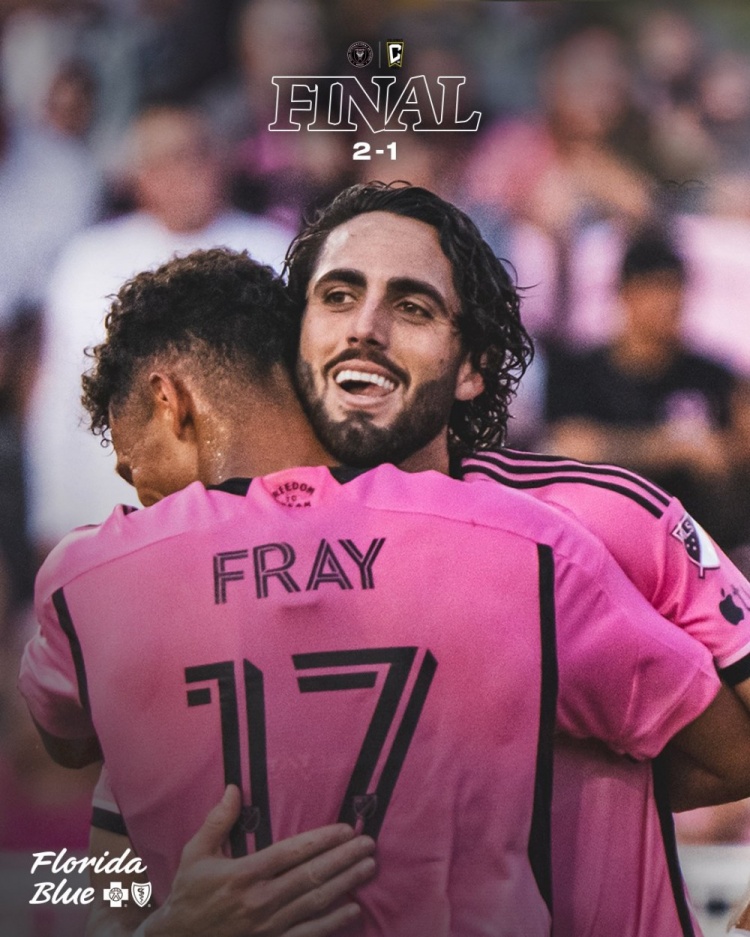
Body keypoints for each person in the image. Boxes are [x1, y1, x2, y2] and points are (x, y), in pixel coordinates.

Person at [19, 248, 750, 937]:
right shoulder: (529, 537)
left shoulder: (100, 580)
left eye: (132, 470)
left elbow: (82, 834)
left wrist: (167, 925)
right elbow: (731, 752)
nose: (139, 498)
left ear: (170, 402)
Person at [26, 103, 293, 550]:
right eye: (165, 158)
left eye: (196, 153)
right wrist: (50, 516)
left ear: (220, 161)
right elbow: (58, 400)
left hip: (245, 518)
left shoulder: (275, 248)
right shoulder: (87, 260)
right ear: (138, 176)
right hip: (108, 516)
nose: (185, 170)